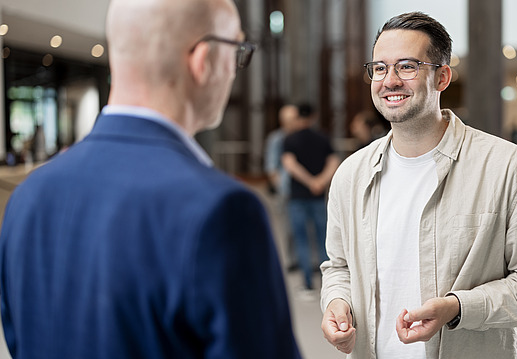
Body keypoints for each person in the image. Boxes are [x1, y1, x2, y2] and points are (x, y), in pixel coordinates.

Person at [0, 0, 301, 358]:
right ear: (203, 61)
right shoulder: (222, 209)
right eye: (237, 49)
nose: (236, 70)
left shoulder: (30, 193)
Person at [320, 11, 517, 359]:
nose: (389, 80)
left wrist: (457, 308)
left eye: (407, 66)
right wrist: (337, 302)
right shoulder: (352, 174)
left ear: (442, 77)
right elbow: (339, 266)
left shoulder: (508, 168)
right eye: (379, 68)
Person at [282, 103, 340, 297]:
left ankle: (307, 284)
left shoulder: (290, 139)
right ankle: (328, 285)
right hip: (318, 197)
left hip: (297, 196)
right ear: (313, 116)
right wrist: (319, 182)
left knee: (302, 240)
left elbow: (289, 165)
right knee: (324, 239)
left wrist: (308, 182)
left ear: (297, 116)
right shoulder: (323, 138)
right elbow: (333, 162)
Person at [264, 104, 300, 270]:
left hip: (300, 188)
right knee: (286, 228)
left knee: (299, 226)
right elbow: (272, 166)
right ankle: (287, 261)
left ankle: (300, 258)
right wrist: (281, 187)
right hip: (285, 189)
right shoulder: (277, 139)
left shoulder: (300, 136)